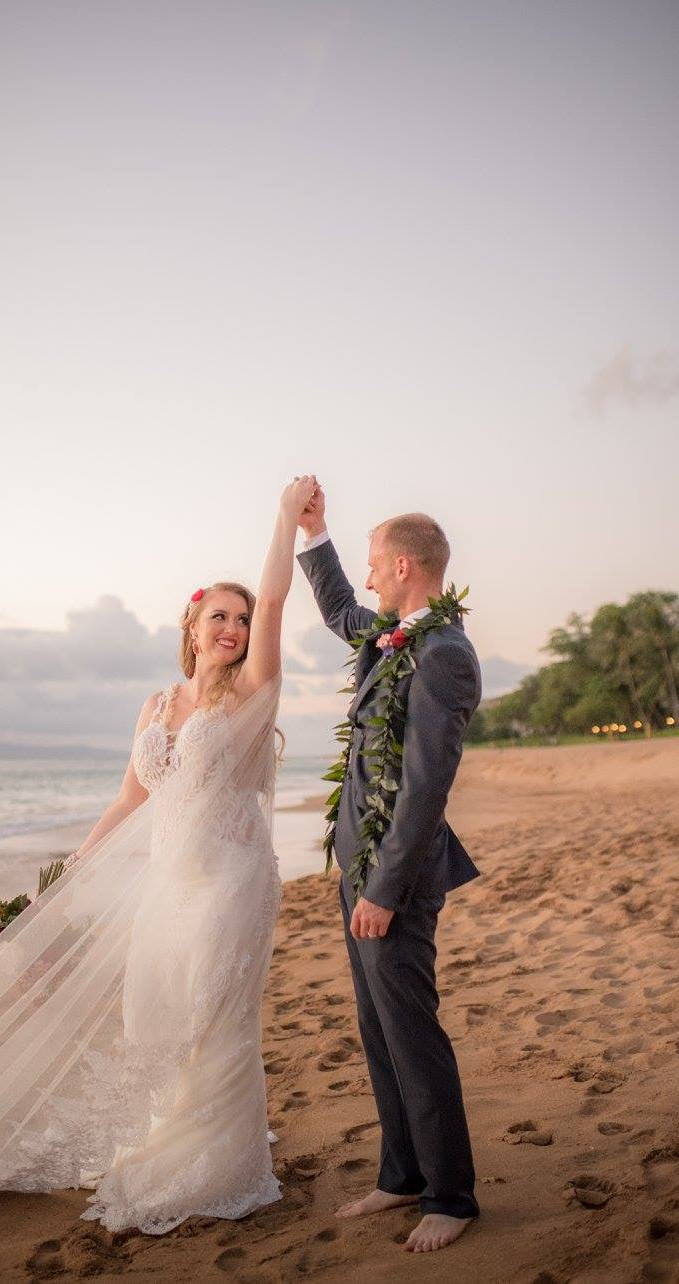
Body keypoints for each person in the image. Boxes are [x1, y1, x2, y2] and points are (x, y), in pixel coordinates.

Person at [0, 475, 318, 1236]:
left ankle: (221, 1161)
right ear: (191, 627)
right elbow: (130, 801)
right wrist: (69, 875)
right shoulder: (157, 706)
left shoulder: (253, 693)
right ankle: (169, 1133)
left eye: (242, 619)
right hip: (167, 883)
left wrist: (286, 519)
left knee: (214, 1018)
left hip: (230, 880)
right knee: (154, 1015)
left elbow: (280, 599)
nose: (234, 627)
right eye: (218, 615)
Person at [296, 486, 482, 1254]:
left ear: (404, 565)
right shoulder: (396, 635)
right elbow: (344, 613)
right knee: (378, 1031)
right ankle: (401, 1175)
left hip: (391, 881)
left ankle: (451, 1195)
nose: (369, 579)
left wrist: (379, 889)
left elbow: (424, 791)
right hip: (358, 871)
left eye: (375, 565)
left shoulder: (442, 655)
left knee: (412, 1033)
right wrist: (317, 534)